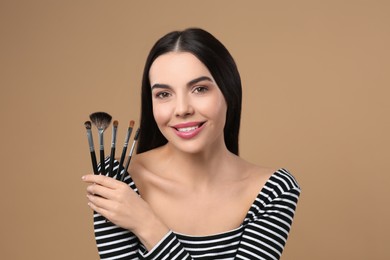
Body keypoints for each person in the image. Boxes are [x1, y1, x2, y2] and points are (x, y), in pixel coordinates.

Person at [82, 28, 301, 260]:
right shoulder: (119, 181)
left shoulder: (274, 190)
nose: (182, 109)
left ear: (229, 92)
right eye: (164, 94)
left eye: (200, 89)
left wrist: (147, 225)